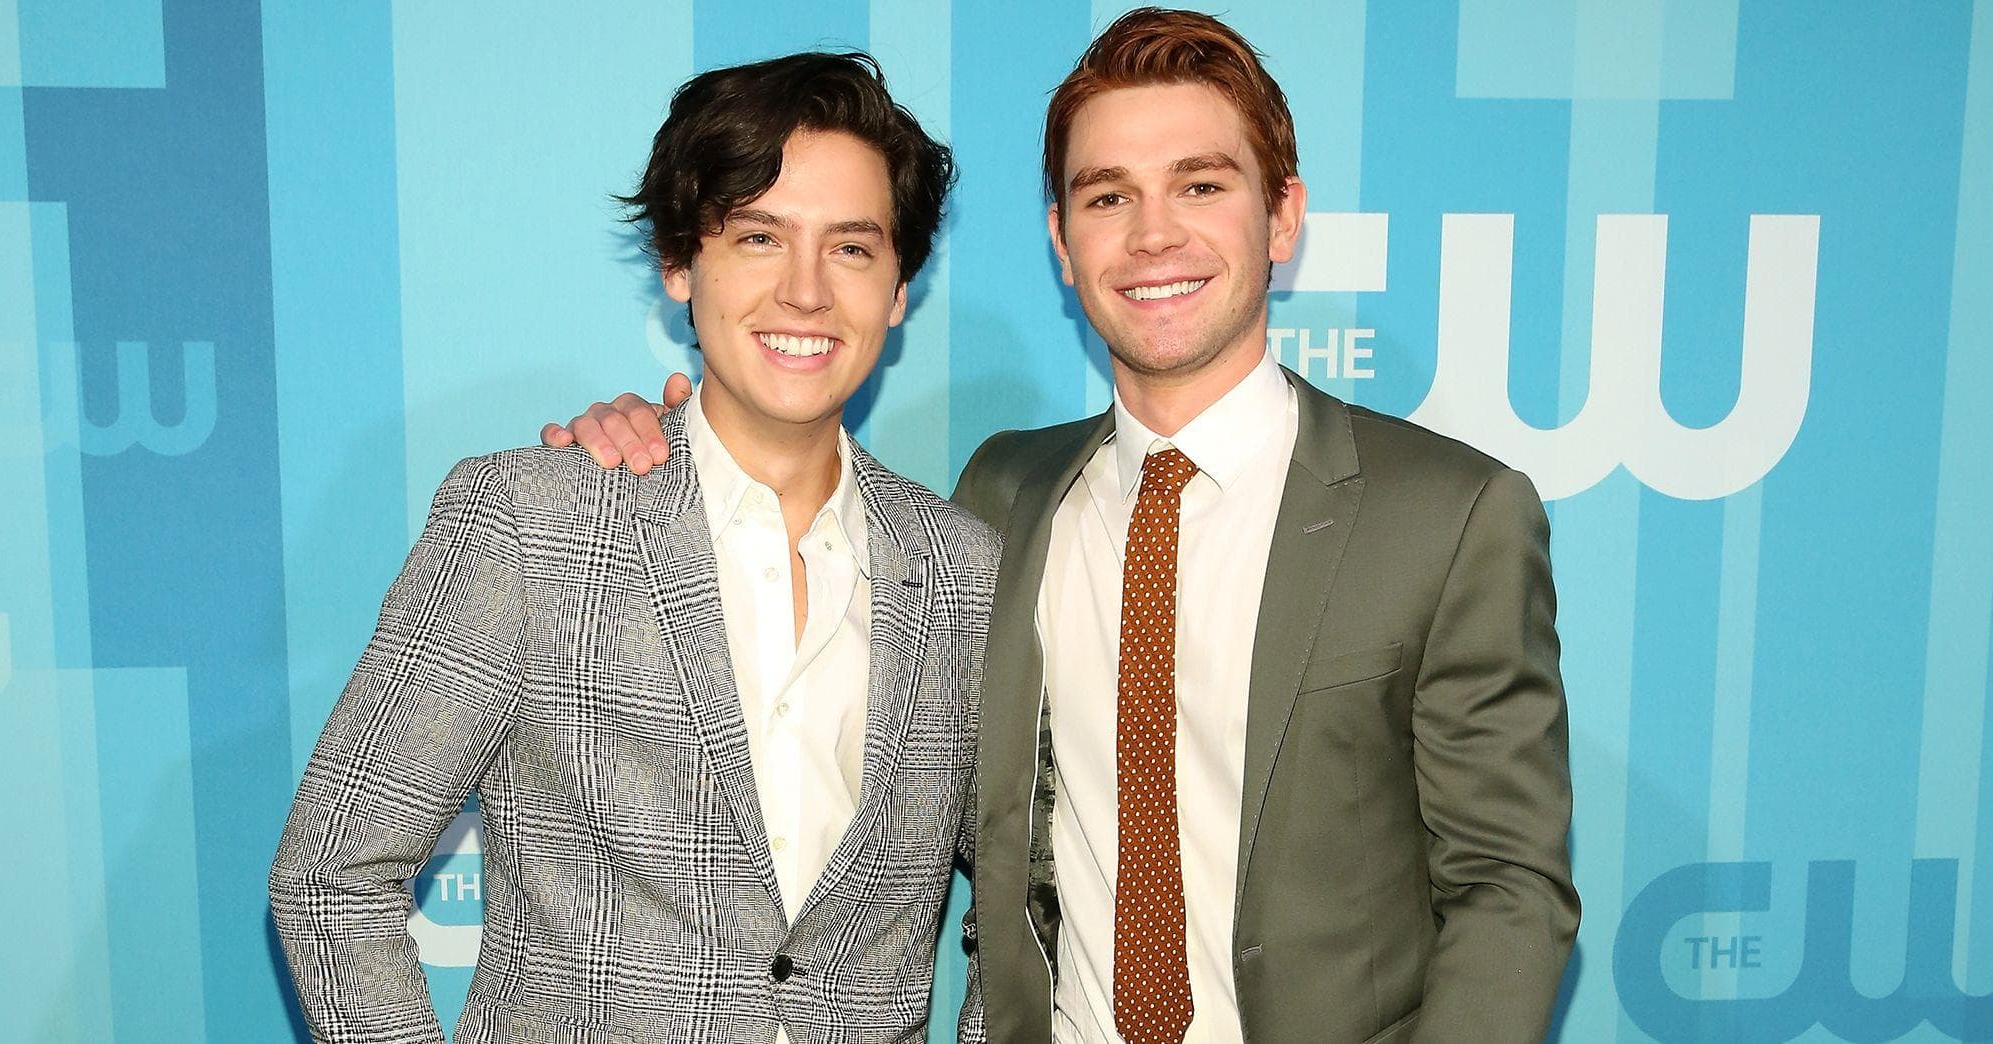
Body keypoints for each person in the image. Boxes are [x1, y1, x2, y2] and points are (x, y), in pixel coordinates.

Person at [548, 9, 1579, 1042]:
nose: (1153, 234)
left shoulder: (1446, 515)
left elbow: (1509, 889)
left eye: (1201, 186)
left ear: (1282, 217)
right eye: (1108, 196)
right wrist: (661, 443)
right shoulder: (1000, 499)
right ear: (1063, 239)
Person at [271, 51, 1000, 1044]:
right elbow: (332, 872)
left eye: (851, 249)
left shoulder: (963, 572)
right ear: (679, 265)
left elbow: (1028, 905)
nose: (805, 292)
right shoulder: (531, 524)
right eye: (758, 238)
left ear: (899, 287)